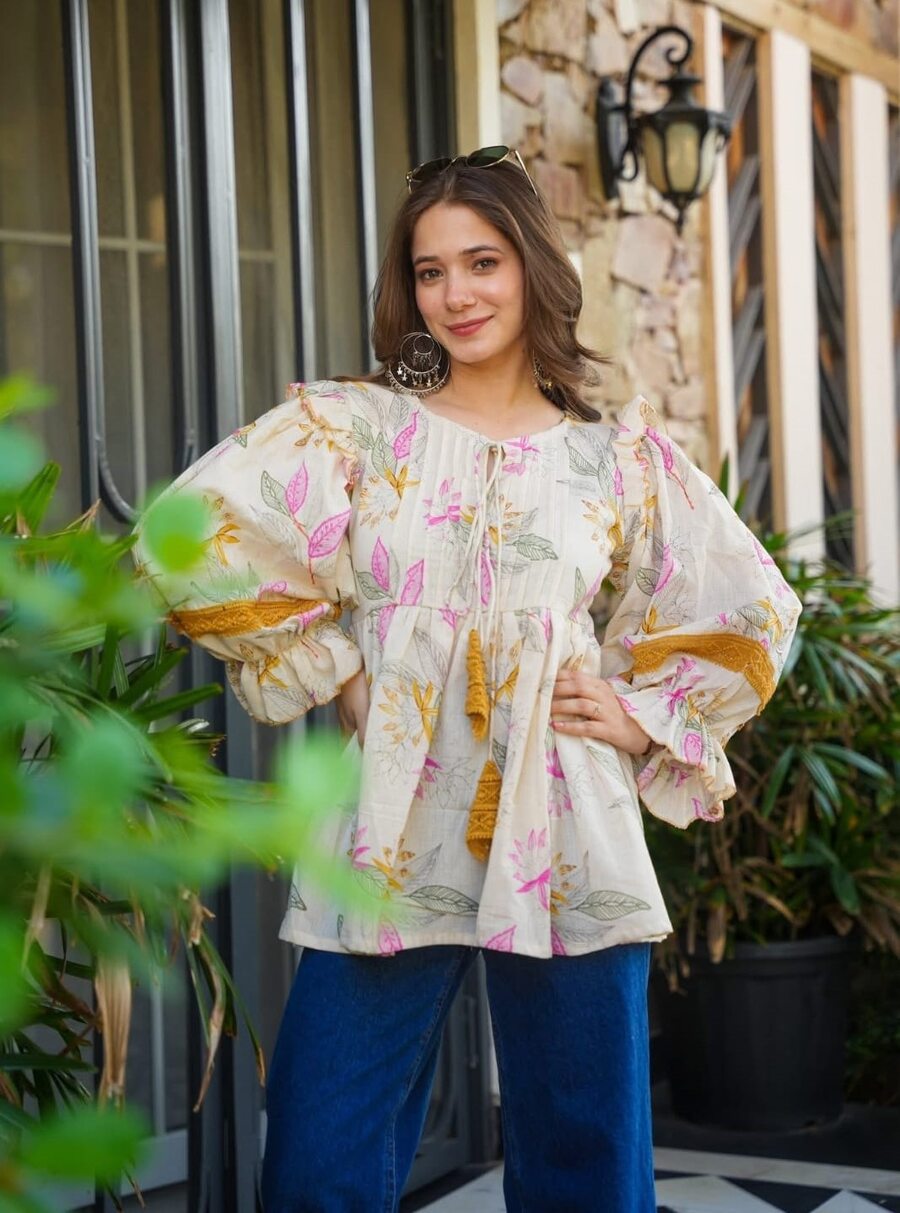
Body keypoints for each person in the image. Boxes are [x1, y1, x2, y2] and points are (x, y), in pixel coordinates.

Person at [136, 146, 801, 1212]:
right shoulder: (356, 430)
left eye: (482, 262)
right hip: (392, 820)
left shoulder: (614, 457)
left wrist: (641, 716)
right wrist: (338, 665)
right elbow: (187, 533)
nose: (456, 294)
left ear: (533, 266)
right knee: (318, 1152)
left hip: (568, 814)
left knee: (586, 1161)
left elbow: (752, 603)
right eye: (431, 270)